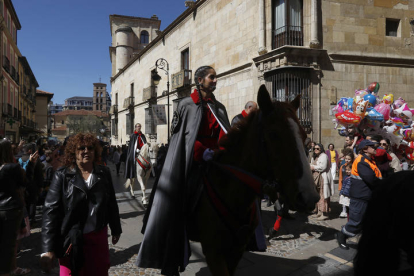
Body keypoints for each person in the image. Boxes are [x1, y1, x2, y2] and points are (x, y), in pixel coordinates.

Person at [136, 66, 231, 275]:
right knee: (176, 205)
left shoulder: (220, 107)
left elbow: (225, 135)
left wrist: (222, 151)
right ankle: (172, 253)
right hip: (192, 163)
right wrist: (201, 153)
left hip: (215, 160)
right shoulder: (186, 105)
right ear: (199, 80)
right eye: (211, 77)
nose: (215, 80)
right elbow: (182, 140)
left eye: (216, 77)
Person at [40, 133, 122, 275]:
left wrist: (116, 228)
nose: (86, 151)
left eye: (90, 148)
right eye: (81, 148)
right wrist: (48, 248)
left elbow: (111, 203)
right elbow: (50, 211)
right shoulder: (62, 175)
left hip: (98, 237)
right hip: (70, 239)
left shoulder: (103, 173)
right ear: (73, 151)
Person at [336, 139, 382, 250]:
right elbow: (371, 179)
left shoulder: (370, 160)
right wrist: (385, 184)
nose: (375, 148)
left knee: (365, 222)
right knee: (355, 222)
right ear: (365, 149)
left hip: (367, 196)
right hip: (360, 197)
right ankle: (341, 236)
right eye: (372, 147)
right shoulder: (362, 161)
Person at [1, 139, 37, 276]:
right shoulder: (12, 168)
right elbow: (25, 182)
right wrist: (31, 165)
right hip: (11, 208)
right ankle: (10, 269)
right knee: (11, 243)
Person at [310, 143, 333, 220]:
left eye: (317, 149)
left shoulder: (324, 156)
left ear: (321, 149)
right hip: (316, 178)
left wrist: (313, 167)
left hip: (323, 178)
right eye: (314, 149)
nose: (315, 150)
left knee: (323, 196)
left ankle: (325, 213)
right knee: (318, 195)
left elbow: (323, 167)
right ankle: (319, 212)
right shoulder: (315, 156)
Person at [125, 123, 147, 198]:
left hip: (142, 152)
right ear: (135, 127)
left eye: (140, 126)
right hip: (135, 153)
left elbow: (145, 144)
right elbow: (132, 146)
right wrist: (136, 150)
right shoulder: (133, 135)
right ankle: (132, 190)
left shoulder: (143, 136)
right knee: (131, 162)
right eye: (138, 127)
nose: (139, 128)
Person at [338, 149, 354, 218]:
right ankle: (343, 211)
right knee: (343, 199)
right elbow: (340, 177)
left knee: (349, 200)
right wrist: (340, 187)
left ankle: (350, 212)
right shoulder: (343, 166)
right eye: (346, 159)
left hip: (351, 184)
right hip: (344, 184)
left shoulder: (353, 166)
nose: (347, 160)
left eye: (349, 159)